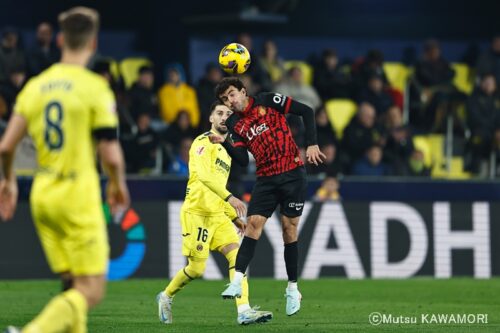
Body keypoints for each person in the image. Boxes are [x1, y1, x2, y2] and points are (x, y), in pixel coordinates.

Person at [0, 7, 130, 333]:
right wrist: (118, 184)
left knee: (72, 286)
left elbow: (5, 147)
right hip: (78, 194)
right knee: (92, 289)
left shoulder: (36, 86)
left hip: (43, 196)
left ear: (60, 40)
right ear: (94, 42)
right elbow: (111, 155)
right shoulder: (95, 88)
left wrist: (9, 181)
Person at [212, 77, 326, 316]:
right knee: (253, 225)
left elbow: (306, 111)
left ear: (243, 91)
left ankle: (293, 289)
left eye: (232, 95)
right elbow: (242, 159)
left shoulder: (267, 100)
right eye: (224, 99)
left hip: (293, 173)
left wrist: (312, 144)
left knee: (289, 230)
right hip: (266, 179)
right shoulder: (234, 123)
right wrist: (224, 143)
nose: (229, 101)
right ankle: (236, 280)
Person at [156, 101, 273, 325]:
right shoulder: (202, 142)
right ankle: (166, 295)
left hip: (218, 215)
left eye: (228, 114)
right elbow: (203, 177)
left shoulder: (227, 150)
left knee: (237, 257)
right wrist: (231, 199)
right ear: (210, 118)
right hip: (197, 213)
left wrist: (232, 216)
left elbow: (218, 185)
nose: (223, 117)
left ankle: (244, 311)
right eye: (219, 113)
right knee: (196, 268)